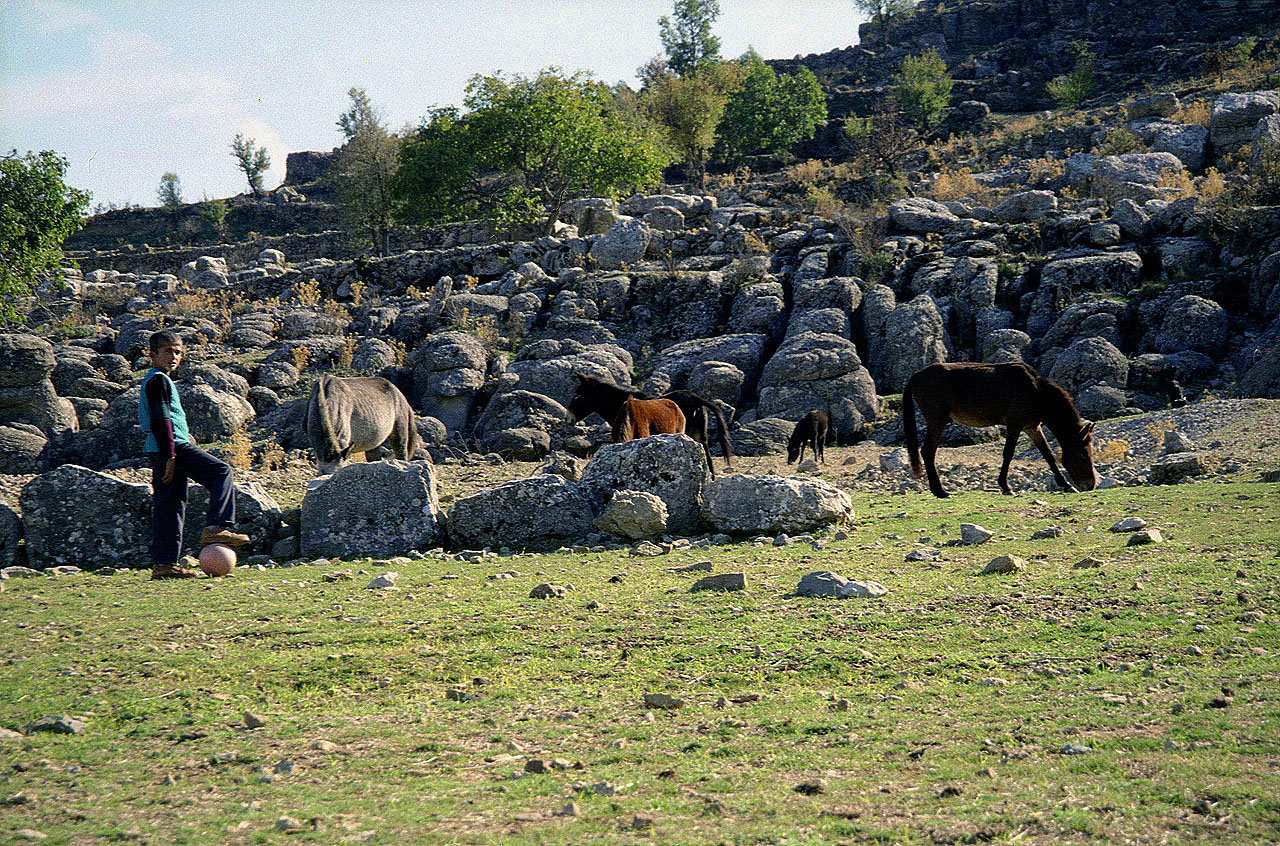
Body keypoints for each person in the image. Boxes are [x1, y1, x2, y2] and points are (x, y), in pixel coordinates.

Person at [139, 330, 250, 579]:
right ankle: (217, 527)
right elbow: (161, 420)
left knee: (170, 506)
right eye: (168, 351)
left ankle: (164, 565)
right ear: (153, 354)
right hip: (172, 447)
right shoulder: (158, 380)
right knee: (221, 471)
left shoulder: (156, 379)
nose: (173, 356)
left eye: (178, 352)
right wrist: (170, 456)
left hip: (160, 449)